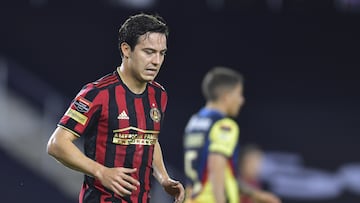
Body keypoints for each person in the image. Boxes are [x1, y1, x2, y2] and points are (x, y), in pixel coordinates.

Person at [47, 13, 184, 203]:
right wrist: (100, 171)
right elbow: (56, 144)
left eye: (162, 53)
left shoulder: (159, 95)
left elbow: (148, 138)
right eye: (149, 52)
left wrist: (163, 178)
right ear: (126, 50)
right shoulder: (97, 93)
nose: (156, 61)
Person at [183, 67, 281, 203]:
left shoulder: (194, 122)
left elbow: (219, 172)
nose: (241, 100)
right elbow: (216, 168)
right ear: (226, 96)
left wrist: (255, 194)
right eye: (239, 94)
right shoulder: (224, 126)